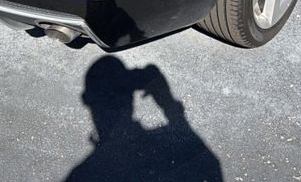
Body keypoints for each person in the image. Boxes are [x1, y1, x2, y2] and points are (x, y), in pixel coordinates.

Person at [64, 57, 222, 182]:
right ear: (130, 100)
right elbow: (209, 166)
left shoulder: (84, 174)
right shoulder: (165, 151)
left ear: (86, 99)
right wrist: (168, 104)